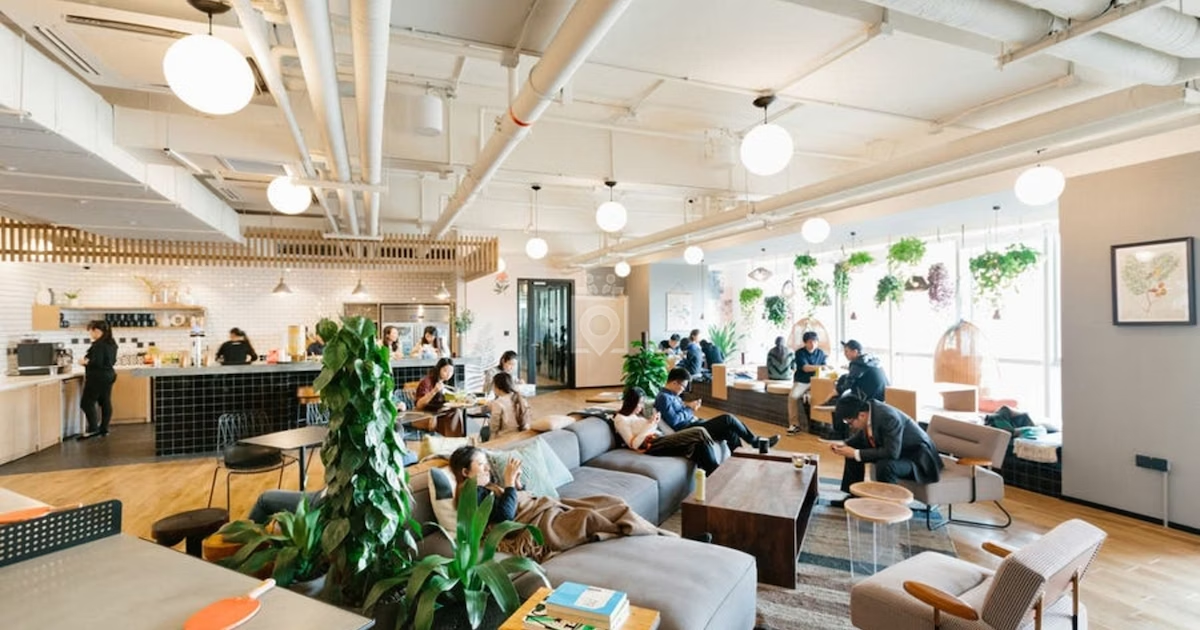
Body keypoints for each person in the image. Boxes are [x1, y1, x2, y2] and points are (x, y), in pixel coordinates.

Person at [448, 446, 667, 562]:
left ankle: (650, 533)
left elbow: (512, 502)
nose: (487, 468)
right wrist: (509, 484)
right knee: (587, 517)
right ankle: (651, 535)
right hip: (534, 522)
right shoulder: (470, 494)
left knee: (609, 501)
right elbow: (505, 517)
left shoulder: (487, 487)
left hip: (540, 507)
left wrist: (516, 484)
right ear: (465, 472)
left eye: (486, 463)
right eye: (481, 464)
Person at [829, 395, 942, 494]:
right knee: (851, 451)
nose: (850, 426)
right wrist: (844, 445)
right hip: (900, 450)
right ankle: (852, 495)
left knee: (885, 465)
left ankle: (888, 503)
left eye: (849, 423)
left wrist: (855, 453)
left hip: (917, 458)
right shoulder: (870, 411)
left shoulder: (888, 418)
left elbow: (891, 453)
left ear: (861, 415)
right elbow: (862, 436)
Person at [655, 367, 779, 453]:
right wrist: (689, 408)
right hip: (689, 429)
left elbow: (678, 412)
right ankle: (755, 441)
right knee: (728, 419)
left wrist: (689, 406)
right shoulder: (664, 398)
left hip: (694, 423)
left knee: (730, 431)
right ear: (675, 383)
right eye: (683, 387)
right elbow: (675, 421)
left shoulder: (672, 395)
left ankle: (739, 456)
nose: (684, 390)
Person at [613, 387, 720, 474]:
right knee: (699, 431)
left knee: (699, 446)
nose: (641, 406)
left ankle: (715, 478)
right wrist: (650, 424)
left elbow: (646, 429)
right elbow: (634, 444)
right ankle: (719, 474)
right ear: (631, 402)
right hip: (651, 445)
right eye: (639, 403)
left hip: (660, 438)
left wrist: (652, 422)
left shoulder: (634, 416)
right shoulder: (620, 419)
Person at [78, 320, 117, 440]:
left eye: (91, 331)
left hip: (97, 377)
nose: (91, 334)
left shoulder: (99, 345)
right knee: (105, 402)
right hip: (109, 375)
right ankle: (104, 429)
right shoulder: (112, 343)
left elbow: (97, 362)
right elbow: (111, 361)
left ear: (98, 331)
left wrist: (84, 362)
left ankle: (93, 429)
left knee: (86, 403)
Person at [787, 331, 827, 435]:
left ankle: (822, 425)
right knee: (793, 397)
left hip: (817, 382)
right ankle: (794, 424)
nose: (812, 344)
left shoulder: (821, 353)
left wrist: (824, 368)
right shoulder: (800, 353)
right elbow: (805, 368)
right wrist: (821, 367)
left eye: (815, 341)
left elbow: (825, 368)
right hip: (802, 381)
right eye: (810, 342)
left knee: (820, 397)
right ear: (805, 343)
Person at [415, 357, 463, 436]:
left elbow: (445, 396)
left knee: (457, 411)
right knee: (455, 413)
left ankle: (454, 438)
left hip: (439, 410)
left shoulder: (442, 382)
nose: (448, 374)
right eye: (445, 370)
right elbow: (419, 405)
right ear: (438, 369)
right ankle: (452, 439)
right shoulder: (427, 382)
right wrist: (434, 391)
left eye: (451, 371)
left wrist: (459, 397)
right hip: (427, 412)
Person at [487, 372, 530, 439]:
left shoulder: (498, 403)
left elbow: (494, 428)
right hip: (522, 435)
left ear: (497, 387)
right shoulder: (520, 398)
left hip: (505, 437)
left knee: (484, 431)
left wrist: (492, 411)